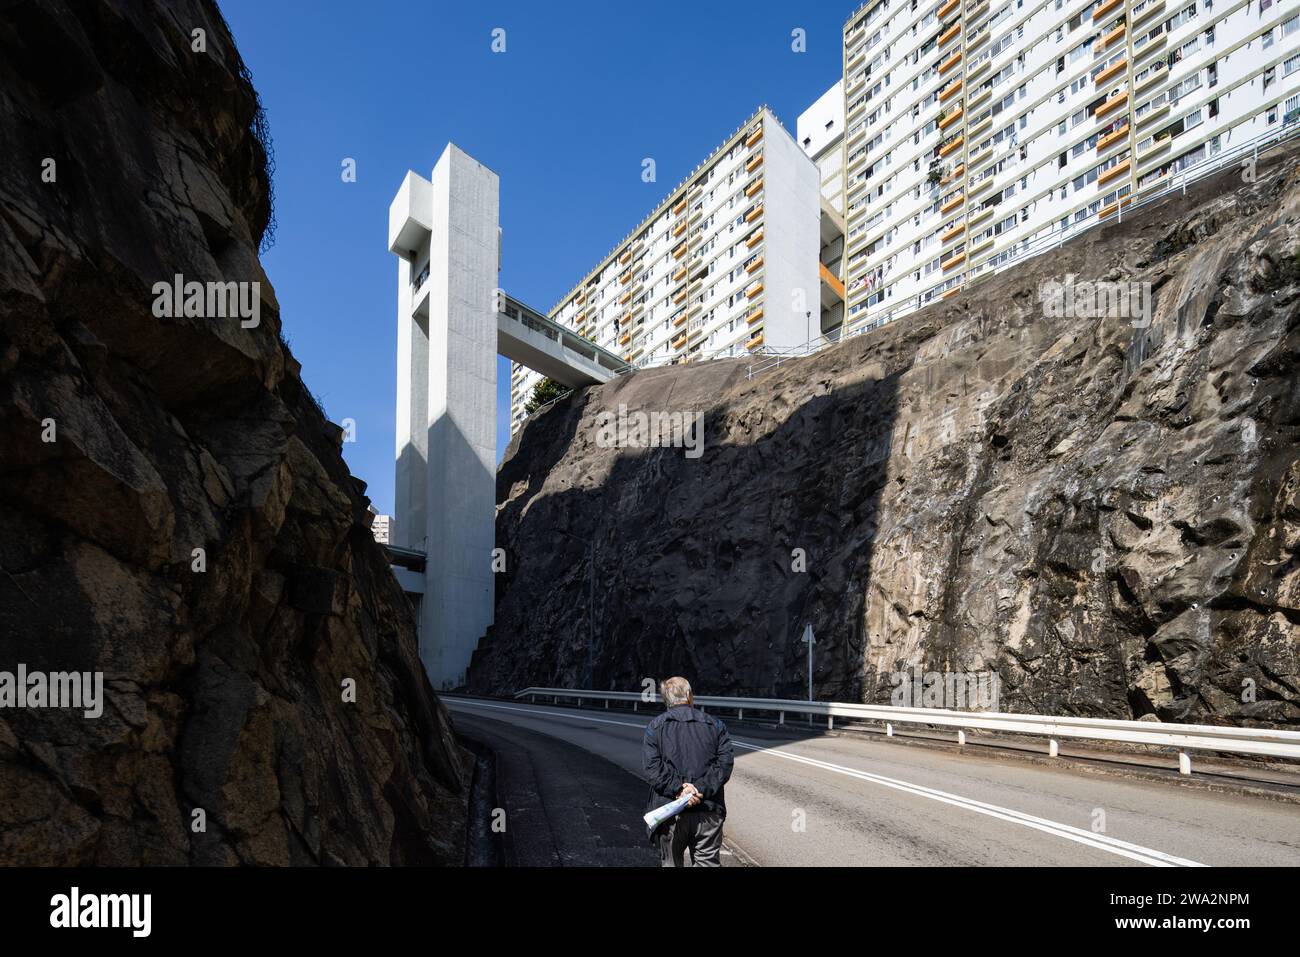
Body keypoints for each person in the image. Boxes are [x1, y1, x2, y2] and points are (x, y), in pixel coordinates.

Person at [642, 676, 734, 867]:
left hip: (669, 811)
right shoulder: (716, 726)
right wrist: (698, 790)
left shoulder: (655, 727)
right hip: (708, 808)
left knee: (671, 863)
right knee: (707, 862)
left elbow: (653, 768)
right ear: (690, 696)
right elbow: (724, 765)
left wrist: (680, 790)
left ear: (666, 700)